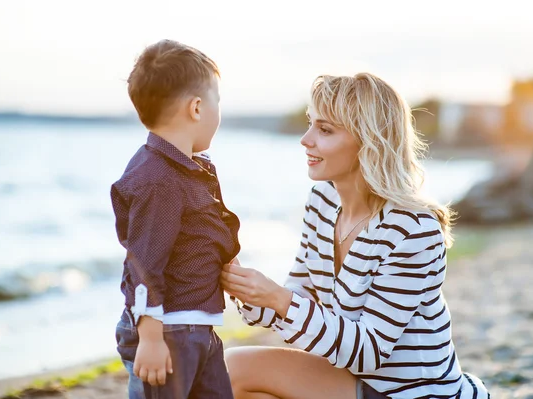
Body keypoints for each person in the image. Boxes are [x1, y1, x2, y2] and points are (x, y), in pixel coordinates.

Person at [221, 73, 489, 398]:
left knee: (236, 368)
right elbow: (300, 294)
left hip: (411, 393)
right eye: (310, 124)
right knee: (243, 387)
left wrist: (278, 298)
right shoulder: (321, 202)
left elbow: (369, 352)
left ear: (368, 141)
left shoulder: (414, 228)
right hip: (351, 382)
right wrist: (242, 284)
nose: (306, 140)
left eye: (325, 130)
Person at [110, 39, 239, 399]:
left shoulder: (191, 168)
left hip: (199, 326)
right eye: (217, 100)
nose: (218, 111)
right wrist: (150, 337)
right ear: (197, 107)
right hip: (168, 330)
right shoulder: (157, 178)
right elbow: (145, 260)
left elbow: (204, 232)